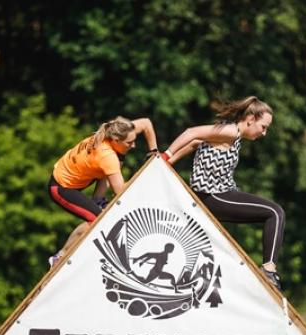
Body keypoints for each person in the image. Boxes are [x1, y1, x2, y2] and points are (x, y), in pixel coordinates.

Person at [163, 96, 285, 289]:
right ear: (251, 119)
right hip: (213, 196)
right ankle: (269, 270)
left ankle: (266, 270)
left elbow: (195, 142)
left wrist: (168, 162)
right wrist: (166, 154)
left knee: (272, 213)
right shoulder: (230, 131)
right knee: (275, 213)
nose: (264, 133)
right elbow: (191, 132)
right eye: (263, 127)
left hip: (219, 194)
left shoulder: (233, 134)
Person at [48, 116, 158, 266]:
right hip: (61, 187)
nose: (134, 145)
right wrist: (146, 178)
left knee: (114, 165)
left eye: (134, 140)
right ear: (115, 140)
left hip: (75, 175)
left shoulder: (118, 131)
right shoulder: (107, 156)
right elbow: (120, 192)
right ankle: (59, 256)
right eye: (129, 142)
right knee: (95, 221)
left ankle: (98, 200)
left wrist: (154, 151)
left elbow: (146, 124)